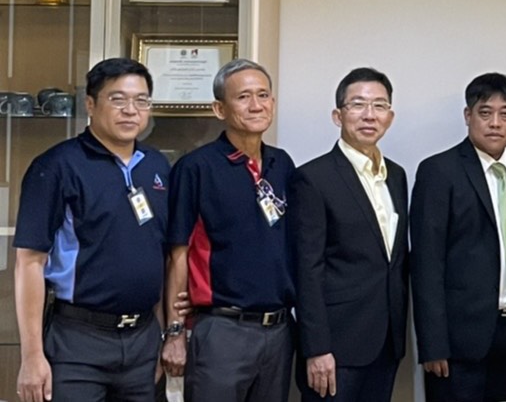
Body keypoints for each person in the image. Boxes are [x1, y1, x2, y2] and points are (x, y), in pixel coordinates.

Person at [13, 58, 169, 402]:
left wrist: (162, 335)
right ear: (90, 104)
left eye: (141, 100)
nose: (131, 110)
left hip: (142, 340)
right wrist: (32, 356)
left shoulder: (157, 166)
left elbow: (158, 254)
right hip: (78, 341)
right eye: (117, 99)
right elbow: (29, 262)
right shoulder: (56, 167)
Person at [160, 59, 297, 402]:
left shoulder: (282, 164)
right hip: (223, 330)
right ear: (219, 109)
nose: (256, 105)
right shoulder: (196, 168)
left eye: (263, 95)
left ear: (273, 103)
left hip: (279, 330)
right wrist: (174, 332)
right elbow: (178, 254)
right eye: (243, 97)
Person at [411, 72, 506, 402]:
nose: (495, 123)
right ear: (468, 115)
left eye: (505, 113)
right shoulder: (438, 171)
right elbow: (426, 264)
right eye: (485, 113)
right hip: (459, 341)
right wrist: (433, 344)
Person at [290, 68, 409, 401]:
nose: (369, 115)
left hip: (387, 341)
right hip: (336, 346)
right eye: (358, 104)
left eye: (379, 105)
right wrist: (316, 348)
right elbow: (307, 269)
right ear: (338, 115)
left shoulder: (396, 176)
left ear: (390, 116)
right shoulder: (313, 178)